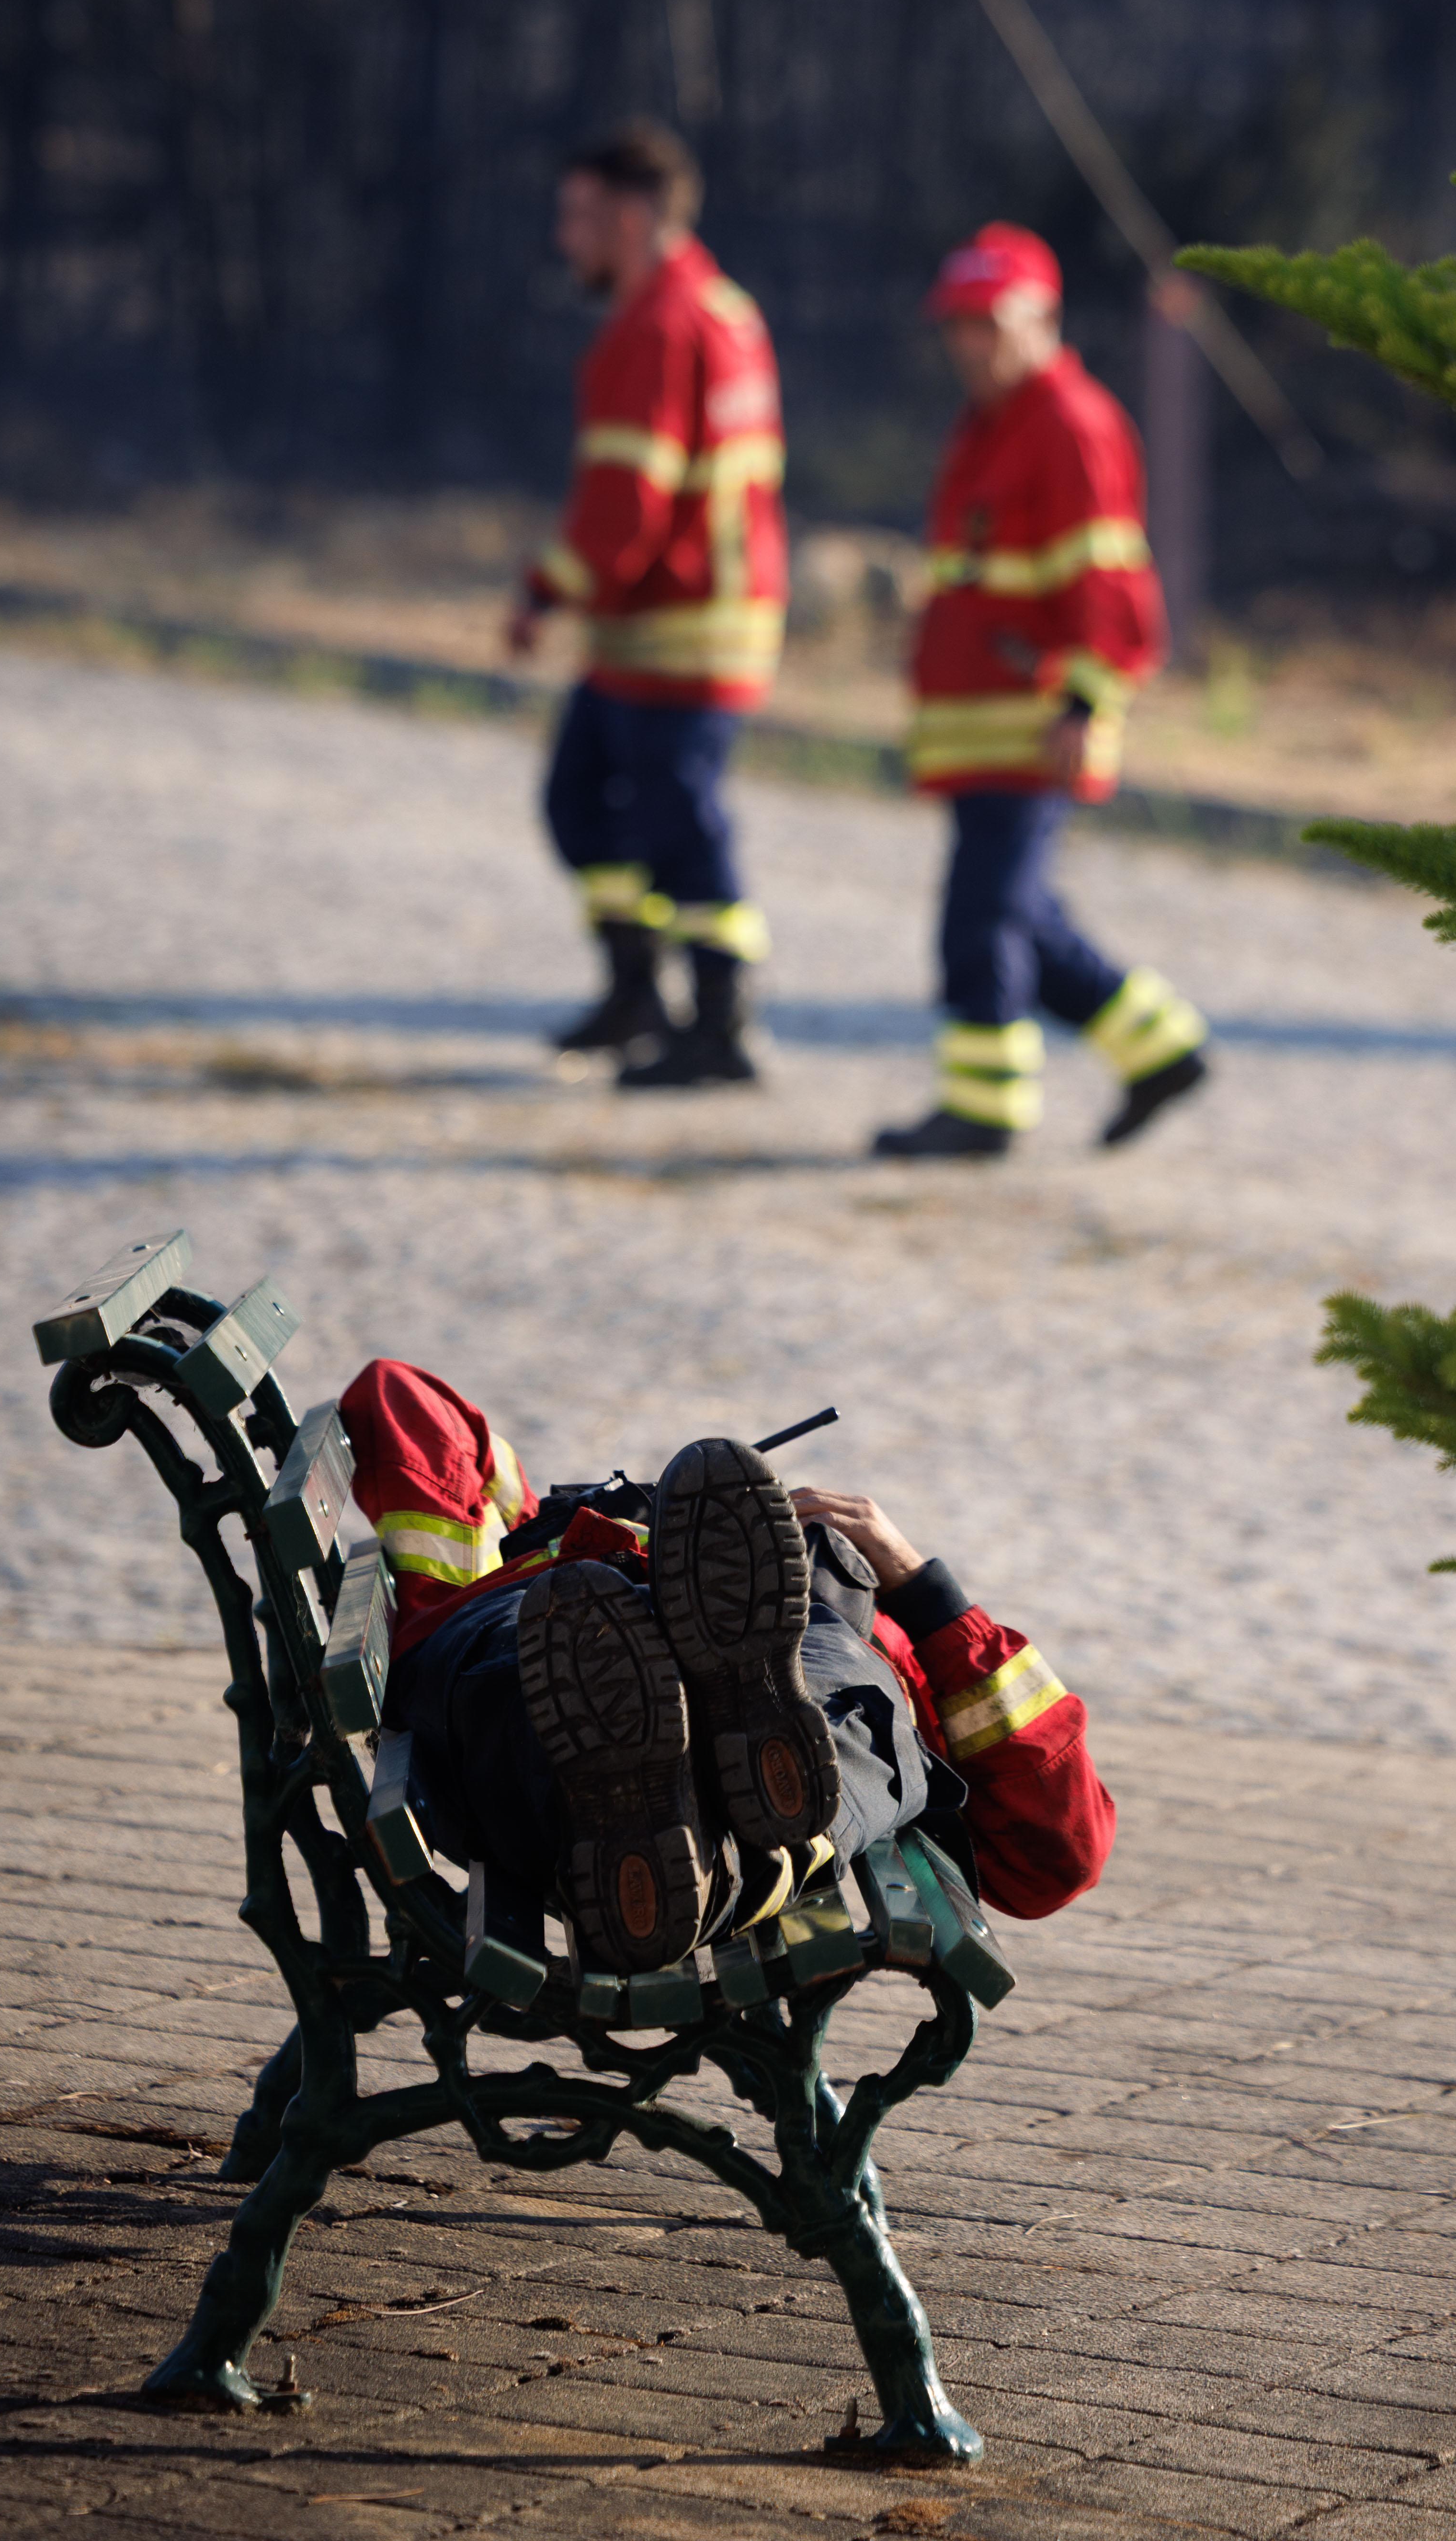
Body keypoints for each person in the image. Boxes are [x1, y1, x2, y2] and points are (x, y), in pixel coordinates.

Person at [341, 1358, 1115, 1970]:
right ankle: (707, 1818)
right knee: (852, 1717)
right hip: (577, 1648)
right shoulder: (546, 1553)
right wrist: (610, 1518)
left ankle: (701, 1784)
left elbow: (1058, 1858)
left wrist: (923, 1591)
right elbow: (398, 1392)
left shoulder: (515, 1572)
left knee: (829, 1699)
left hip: (523, 1707)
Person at [872, 223, 1212, 1161]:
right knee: (1021, 911)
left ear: (1041, 319)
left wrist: (1085, 702)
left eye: (990, 322)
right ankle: (1160, 1047)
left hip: (1035, 723)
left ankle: (982, 1110)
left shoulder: (1069, 421)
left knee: (980, 916)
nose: (970, 344)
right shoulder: (994, 420)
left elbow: (1110, 585)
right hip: (985, 723)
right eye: (958, 326)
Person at [507, 124, 786, 1088]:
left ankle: (716, 1021)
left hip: (679, 628)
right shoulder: (718, 305)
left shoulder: (656, 325)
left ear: (631, 217)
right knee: (587, 802)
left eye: (578, 217)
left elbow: (626, 504)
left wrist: (548, 589)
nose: (564, 240)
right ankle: (637, 994)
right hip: (675, 626)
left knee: (676, 826)